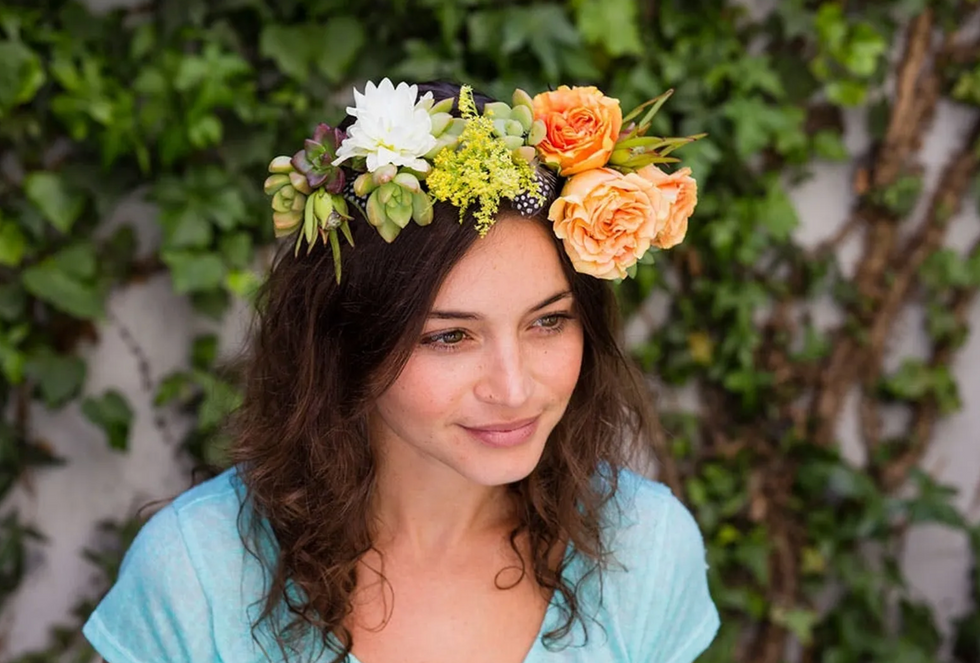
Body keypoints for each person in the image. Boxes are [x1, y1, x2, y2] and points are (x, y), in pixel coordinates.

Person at [82, 79, 719, 663]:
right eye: (449, 336)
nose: (516, 388)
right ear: (346, 338)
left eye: (548, 322)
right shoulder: (196, 573)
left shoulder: (648, 549)